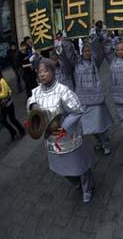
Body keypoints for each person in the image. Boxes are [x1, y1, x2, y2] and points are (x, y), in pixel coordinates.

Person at [27, 59, 95, 203]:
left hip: (70, 138)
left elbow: (77, 110)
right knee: (62, 168)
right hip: (52, 141)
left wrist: (64, 127)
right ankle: (76, 183)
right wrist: (33, 107)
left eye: (45, 71)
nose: (42, 75)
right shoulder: (36, 92)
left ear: (53, 71)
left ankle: (87, 187)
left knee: (80, 166)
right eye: (40, 72)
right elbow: (30, 105)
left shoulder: (63, 90)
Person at [70, 33, 114, 155]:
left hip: (96, 98)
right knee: (90, 126)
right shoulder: (76, 63)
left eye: (89, 51)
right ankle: (99, 142)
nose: (88, 53)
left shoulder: (95, 61)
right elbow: (67, 56)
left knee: (100, 125)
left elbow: (98, 50)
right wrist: (66, 42)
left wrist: (93, 36)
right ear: (81, 53)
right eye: (85, 51)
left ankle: (106, 144)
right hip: (83, 100)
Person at [0, 63, 25, 140]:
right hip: (3, 104)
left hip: (8, 103)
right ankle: (13, 132)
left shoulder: (1, 80)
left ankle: (21, 130)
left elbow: (5, 93)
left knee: (12, 119)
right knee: (3, 120)